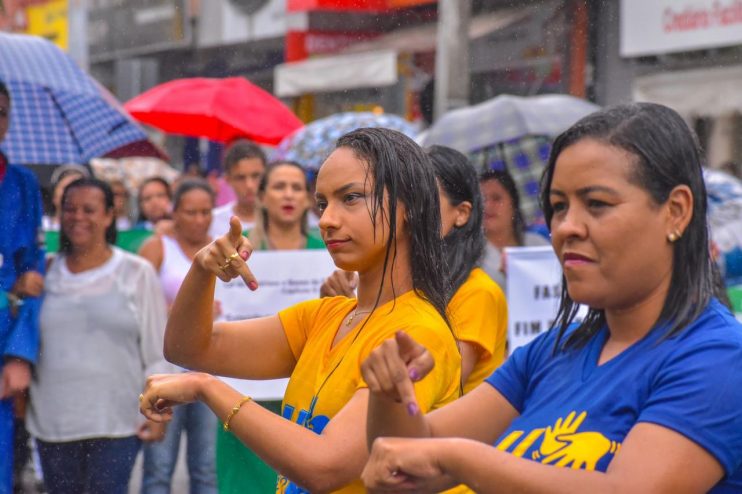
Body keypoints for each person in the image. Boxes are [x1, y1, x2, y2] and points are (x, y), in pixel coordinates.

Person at [360, 103, 742, 493]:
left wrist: (459, 458)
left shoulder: (720, 357)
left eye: (597, 204)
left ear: (676, 211)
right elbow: (413, 451)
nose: (566, 227)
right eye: (559, 206)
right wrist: (390, 394)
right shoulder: (550, 352)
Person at [139, 128, 461, 493]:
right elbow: (188, 347)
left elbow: (324, 467)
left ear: (410, 207)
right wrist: (202, 270)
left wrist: (206, 387)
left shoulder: (417, 333)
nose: (326, 219)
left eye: (351, 198)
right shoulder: (325, 316)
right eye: (322, 204)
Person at [26, 178, 173, 494]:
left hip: (117, 424)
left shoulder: (136, 272)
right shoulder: (45, 273)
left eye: (89, 210)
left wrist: (159, 409)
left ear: (109, 215)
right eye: (70, 209)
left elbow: (157, 349)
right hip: (53, 424)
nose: (78, 217)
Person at [321, 145, 507, 392]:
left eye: (426, 198)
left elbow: (438, 379)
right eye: (406, 198)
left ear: (461, 214)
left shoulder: (478, 292)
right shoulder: (405, 283)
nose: (413, 209)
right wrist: (346, 315)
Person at [215, 160, 324, 493]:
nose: (288, 195)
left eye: (296, 187)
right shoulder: (236, 256)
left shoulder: (329, 254)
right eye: (279, 186)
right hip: (246, 396)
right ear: (261, 197)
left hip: (309, 398)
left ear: (308, 199)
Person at [137, 179, 218, 494]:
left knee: (206, 468)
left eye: (206, 212)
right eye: (190, 212)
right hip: (166, 370)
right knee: (158, 467)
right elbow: (136, 298)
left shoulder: (222, 247)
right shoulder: (158, 247)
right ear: (175, 212)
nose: (199, 219)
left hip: (212, 370)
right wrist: (167, 309)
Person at [0, 80, 44, 494]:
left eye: (1, 112)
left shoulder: (23, 184)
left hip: (5, 332)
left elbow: (34, 274)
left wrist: (20, 354)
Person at [479, 168, 549, 289]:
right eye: (482, 200)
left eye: (496, 198)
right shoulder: (471, 257)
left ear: (513, 203)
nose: (488, 206)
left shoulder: (537, 243)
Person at [208, 140, 267, 238]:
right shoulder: (211, 222)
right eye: (240, 178)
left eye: (256, 176)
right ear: (227, 179)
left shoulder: (282, 220)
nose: (249, 185)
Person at [42, 164, 91, 231]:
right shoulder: (40, 226)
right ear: (54, 195)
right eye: (66, 188)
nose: (72, 195)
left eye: (78, 189)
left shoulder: (94, 230)